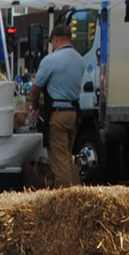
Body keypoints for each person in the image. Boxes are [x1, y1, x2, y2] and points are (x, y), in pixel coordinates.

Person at [29, 24, 85, 188]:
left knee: (59, 162)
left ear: (56, 39)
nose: (52, 45)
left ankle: (66, 199)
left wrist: (35, 106)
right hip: (74, 114)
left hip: (57, 115)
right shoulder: (80, 60)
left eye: (52, 42)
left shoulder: (51, 60)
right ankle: (79, 194)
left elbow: (35, 88)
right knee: (67, 157)